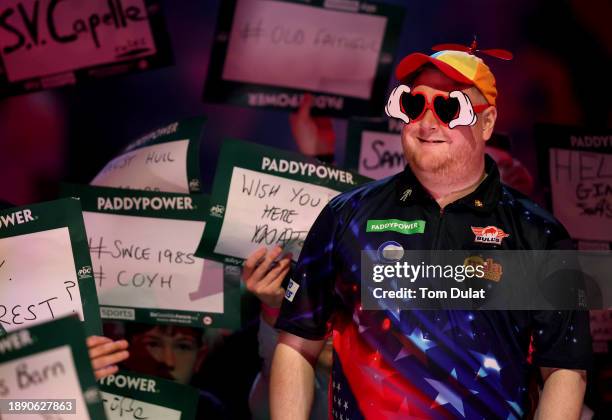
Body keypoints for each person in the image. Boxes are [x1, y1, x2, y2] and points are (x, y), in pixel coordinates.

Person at [270, 49, 591, 419]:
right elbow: (296, 345)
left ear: (486, 123)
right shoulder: (346, 216)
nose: (426, 123)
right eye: (413, 104)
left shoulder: (539, 234)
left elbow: (564, 370)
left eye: (449, 109)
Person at [243, 246, 331, 420]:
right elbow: (275, 360)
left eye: (346, 315)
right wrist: (274, 306)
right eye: (316, 313)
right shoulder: (289, 384)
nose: (331, 328)